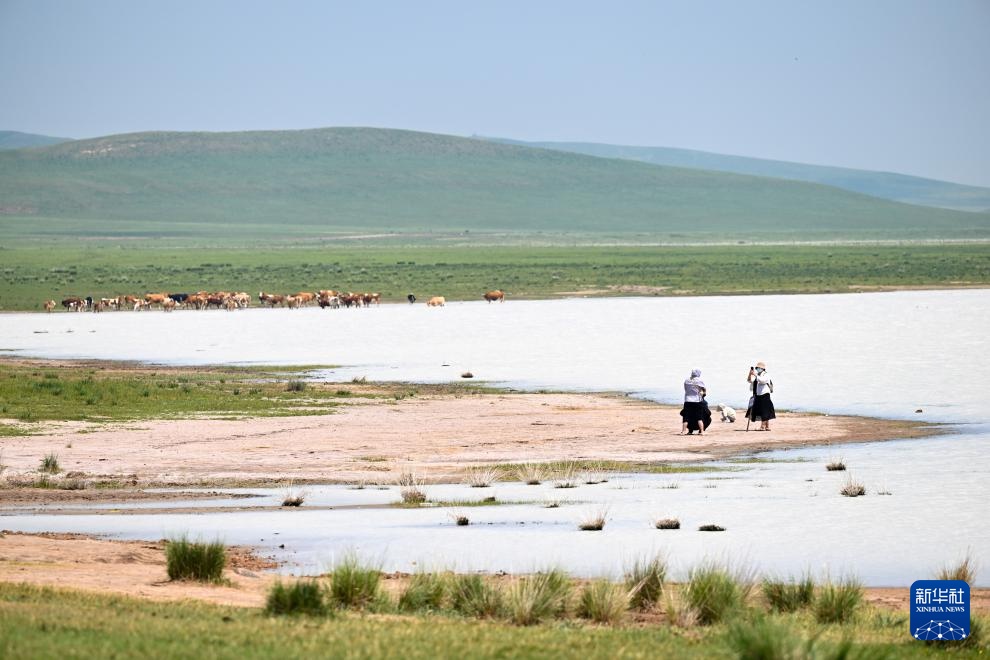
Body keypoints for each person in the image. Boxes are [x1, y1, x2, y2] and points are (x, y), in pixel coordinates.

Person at [680, 369, 711, 435]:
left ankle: (683, 431)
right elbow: (704, 389)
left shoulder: (686, 380)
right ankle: (702, 431)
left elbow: (686, 389)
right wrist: (702, 392)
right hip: (697, 400)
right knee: (699, 417)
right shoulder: (699, 380)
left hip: (687, 400)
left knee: (686, 417)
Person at [746, 361, 775, 431]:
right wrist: (750, 374)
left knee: (764, 411)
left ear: (762, 368)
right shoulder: (757, 375)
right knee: (765, 411)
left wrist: (755, 375)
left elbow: (763, 381)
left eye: (759, 368)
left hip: (765, 394)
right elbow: (749, 381)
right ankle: (767, 426)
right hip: (758, 395)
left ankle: (762, 427)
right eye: (757, 368)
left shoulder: (766, 375)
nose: (757, 369)